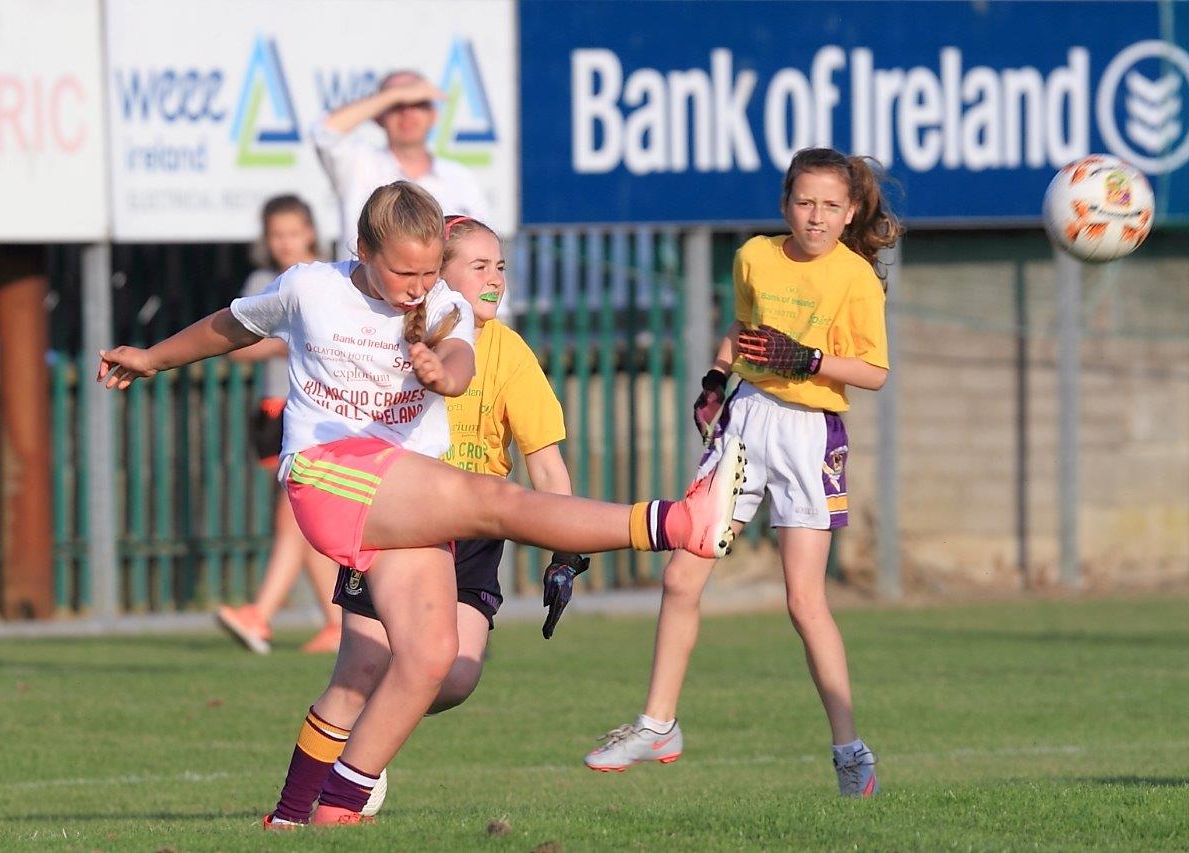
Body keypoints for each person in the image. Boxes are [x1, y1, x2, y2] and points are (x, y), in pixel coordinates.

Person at [96, 181, 746, 827]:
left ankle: (311, 818)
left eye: (430, 270)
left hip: (400, 489)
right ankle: (679, 521)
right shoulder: (309, 287)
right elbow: (229, 327)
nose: (418, 285)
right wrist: (151, 357)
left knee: (432, 658)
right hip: (329, 476)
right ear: (361, 250)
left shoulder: (442, 305)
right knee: (492, 500)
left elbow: (460, 359)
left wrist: (444, 375)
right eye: (404, 271)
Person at [583, 148, 900, 798]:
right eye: (804, 202)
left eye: (830, 206)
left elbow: (873, 371)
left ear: (850, 213)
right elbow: (743, 326)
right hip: (747, 419)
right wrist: (716, 375)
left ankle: (849, 752)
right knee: (680, 574)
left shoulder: (856, 278)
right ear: (786, 204)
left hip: (809, 435)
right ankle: (658, 723)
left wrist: (809, 358)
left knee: (804, 600)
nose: (815, 217)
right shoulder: (756, 254)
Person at [264, 214, 586, 826]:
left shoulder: (511, 353)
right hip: (393, 517)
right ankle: (292, 814)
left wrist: (563, 553)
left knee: (457, 674)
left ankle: (366, 749)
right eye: (477, 266)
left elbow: (545, 462)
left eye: (500, 266)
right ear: (439, 275)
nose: (494, 279)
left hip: (472, 532)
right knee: (359, 670)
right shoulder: (388, 324)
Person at [216, 195, 342, 655]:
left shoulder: (330, 279)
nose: (286, 243)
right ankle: (334, 621)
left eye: (293, 232)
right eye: (277, 235)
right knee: (296, 518)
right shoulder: (262, 282)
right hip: (275, 409)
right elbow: (237, 344)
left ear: (310, 231)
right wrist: (286, 341)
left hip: (316, 412)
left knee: (294, 516)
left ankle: (261, 615)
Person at [312, 70, 491, 260]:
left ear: (433, 115)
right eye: (396, 105)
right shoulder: (359, 164)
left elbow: (486, 254)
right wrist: (394, 94)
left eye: (417, 103)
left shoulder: (461, 177)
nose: (407, 112)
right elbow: (324, 133)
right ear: (378, 116)